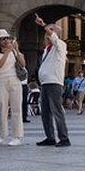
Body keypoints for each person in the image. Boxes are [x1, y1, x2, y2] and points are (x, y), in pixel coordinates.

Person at [34, 14, 71, 147]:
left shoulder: (60, 45)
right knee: (45, 111)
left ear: (55, 33)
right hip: (45, 83)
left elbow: (53, 38)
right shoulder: (46, 50)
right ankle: (50, 137)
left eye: (49, 31)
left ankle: (64, 138)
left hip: (54, 82)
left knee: (56, 110)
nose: (46, 34)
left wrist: (43, 24)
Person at [0, 29, 25, 146]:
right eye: (3, 39)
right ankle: (1, 136)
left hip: (15, 80)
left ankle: (17, 136)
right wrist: (8, 51)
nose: (7, 41)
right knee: (2, 108)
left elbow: (23, 64)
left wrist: (16, 50)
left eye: (8, 38)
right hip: (1, 80)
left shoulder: (14, 51)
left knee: (16, 109)